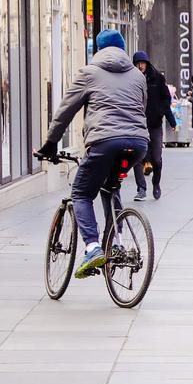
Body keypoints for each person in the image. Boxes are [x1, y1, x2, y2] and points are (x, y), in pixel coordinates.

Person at [36, 29, 148, 279]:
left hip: (104, 141)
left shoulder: (89, 73)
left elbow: (66, 111)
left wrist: (50, 144)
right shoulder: (138, 76)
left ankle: (93, 247)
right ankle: (116, 244)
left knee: (81, 192)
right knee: (111, 187)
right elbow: (142, 108)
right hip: (138, 144)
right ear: (122, 49)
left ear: (98, 49)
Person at [130, 51, 176, 201]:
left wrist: (167, 117)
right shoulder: (131, 80)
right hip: (138, 125)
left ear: (147, 63)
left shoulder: (157, 78)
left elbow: (166, 99)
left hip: (155, 124)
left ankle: (156, 183)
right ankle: (141, 188)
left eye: (142, 63)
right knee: (136, 158)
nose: (140, 66)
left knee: (156, 158)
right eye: (137, 63)